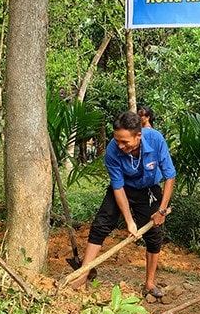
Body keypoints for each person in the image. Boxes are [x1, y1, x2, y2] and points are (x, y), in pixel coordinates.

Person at [72, 110, 175, 298]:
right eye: (117, 140)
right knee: (100, 225)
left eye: (125, 142)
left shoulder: (156, 140)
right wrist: (129, 221)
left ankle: (149, 284)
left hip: (149, 190)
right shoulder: (112, 151)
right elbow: (118, 188)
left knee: (154, 235)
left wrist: (161, 209)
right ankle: (82, 276)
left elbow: (170, 176)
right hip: (124, 188)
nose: (119, 145)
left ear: (138, 135)